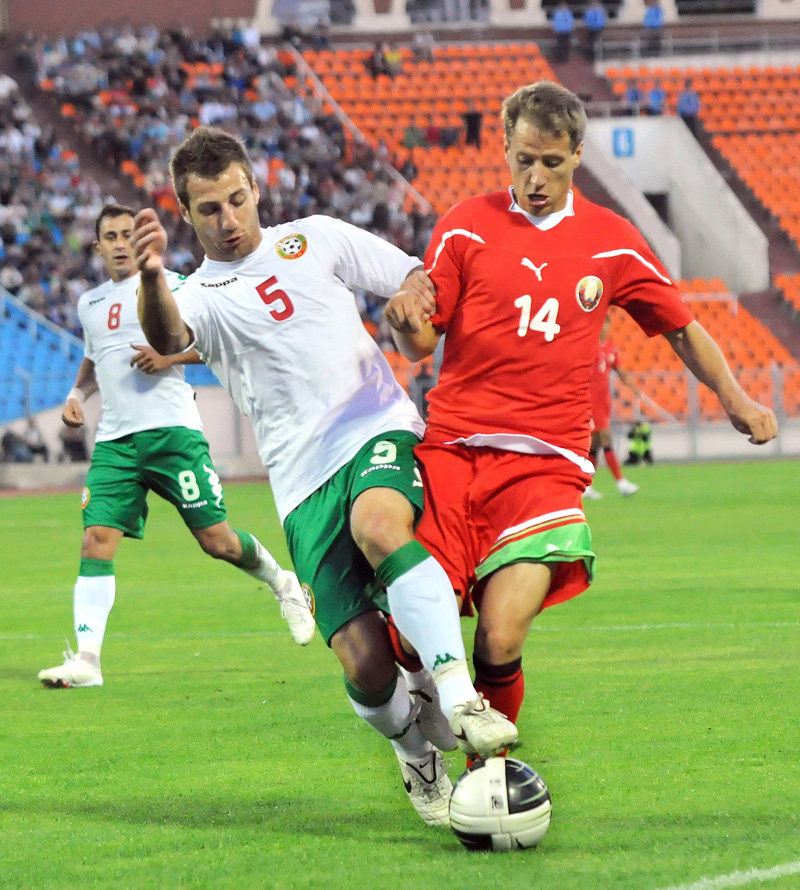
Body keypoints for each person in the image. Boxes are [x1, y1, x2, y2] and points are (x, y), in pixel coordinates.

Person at [131, 127, 518, 827]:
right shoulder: (201, 293)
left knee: (380, 524)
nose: (228, 219)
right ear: (186, 215)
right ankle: (413, 749)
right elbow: (165, 337)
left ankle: (460, 693)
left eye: (237, 199)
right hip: (302, 482)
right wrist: (154, 275)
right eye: (210, 209)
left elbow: (409, 271)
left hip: (377, 429)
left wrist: (410, 301)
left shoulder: (313, 238)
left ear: (256, 188)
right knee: (365, 665)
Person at [383, 80, 778, 747]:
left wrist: (736, 399)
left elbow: (681, 326)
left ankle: (493, 778)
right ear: (505, 147)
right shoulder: (462, 226)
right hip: (453, 455)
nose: (536, 177)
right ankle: (419, 731)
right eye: (524, 159)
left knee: (500, 636)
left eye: (553, 162)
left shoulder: (613, 242)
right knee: (412, 639)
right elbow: (422, 341)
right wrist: (403, 325)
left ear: (577, 156)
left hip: (545, 470)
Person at [38, 204, 315, 691]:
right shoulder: (90, 303)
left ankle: (283, 581)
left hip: (172, 435)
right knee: (95, 541)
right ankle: (87, 660)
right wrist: (77, 395)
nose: (122, 243)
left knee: (218, 542)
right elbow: (92, 359)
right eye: (112, 236)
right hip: (115, 444)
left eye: (129, 234)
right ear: (98, 246)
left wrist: (169, 354)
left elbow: (212, 343)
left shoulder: (176, 286)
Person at [584, 314, 642, 499]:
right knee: (606, 439)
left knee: (595, 446)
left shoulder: (611, 348)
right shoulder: (587, 346)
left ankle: (585, 486)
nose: (604, 327)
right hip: (590, 402)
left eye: (606, 323)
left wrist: (635, 389)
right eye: (601, 323)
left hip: (604, 401)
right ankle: (621, 483)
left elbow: (621, 371)